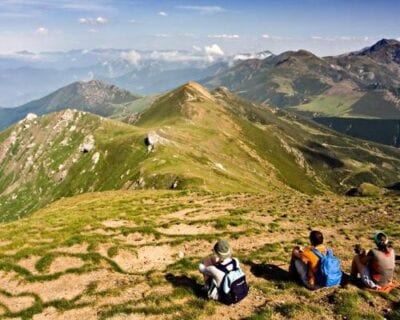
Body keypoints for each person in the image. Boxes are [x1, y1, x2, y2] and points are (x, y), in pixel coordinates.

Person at [199, 239, 248, 303]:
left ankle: (207, 288)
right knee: (214, 264)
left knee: (206, 260)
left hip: (225, 297)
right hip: (238, 291)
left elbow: (201, 269)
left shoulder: (213, 269)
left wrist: (207, 262)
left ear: (216, 253)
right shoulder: (236, 261)